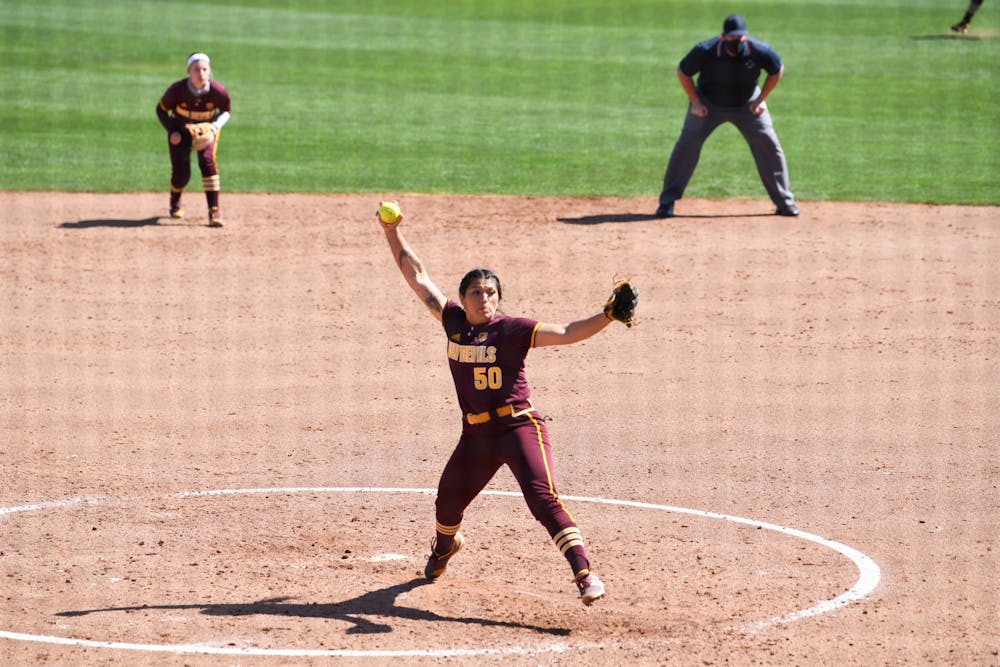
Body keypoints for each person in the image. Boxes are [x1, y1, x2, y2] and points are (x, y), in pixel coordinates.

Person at [378, 204, 636, 606]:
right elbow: (417, 276)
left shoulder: (513, 329)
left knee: (542, 498)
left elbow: (568, 332)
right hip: (476, 436)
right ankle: (445, 547)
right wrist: (391, 230)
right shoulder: (454, 323)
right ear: (462, 299)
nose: (485, 298)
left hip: (519, 428)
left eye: (491, 292)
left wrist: (606, 316)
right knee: (446, 503)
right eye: (476, 293)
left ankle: (585, 574)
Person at [656, 14, 799, 219]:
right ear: (723, 36)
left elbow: (777, 69)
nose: (736, 41)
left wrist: (761, 99)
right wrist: (696, 102)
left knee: (769, 144)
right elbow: (683, 72)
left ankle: (785, 203)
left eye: (740, 37)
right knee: (686, 144)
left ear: (745, 37)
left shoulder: (759, 50)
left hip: (747, 104)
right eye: (732, 38)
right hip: (708, 104)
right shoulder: (705, 50)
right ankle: (666, 202)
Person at [156, 53, 232, 227]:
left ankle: (214, 212)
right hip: (181, 131)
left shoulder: (218, 91)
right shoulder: (177, 90)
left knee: (207, 162)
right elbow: (161, 110)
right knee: (182, 174)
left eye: (205, 69)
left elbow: (226, 111)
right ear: (189, 71)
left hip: (207, 131)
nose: (201, 73)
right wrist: (172, 130)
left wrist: (213, 127)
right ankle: (175, 200)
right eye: (197, 69)